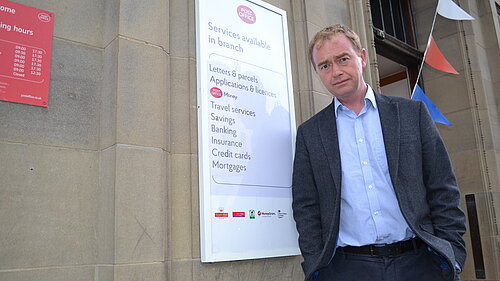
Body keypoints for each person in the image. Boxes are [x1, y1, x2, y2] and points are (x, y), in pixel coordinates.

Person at [291, 24, 466, 281]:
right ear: (317, 72)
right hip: (347, 268)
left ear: (361, 57)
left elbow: (442, 186)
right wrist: (317, 264)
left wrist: (451, 253)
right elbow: (306, 205)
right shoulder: (310, 133)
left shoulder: (411, 114)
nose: (336, 71)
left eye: (342, 59)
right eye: (325, 65)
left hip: (419, 263)